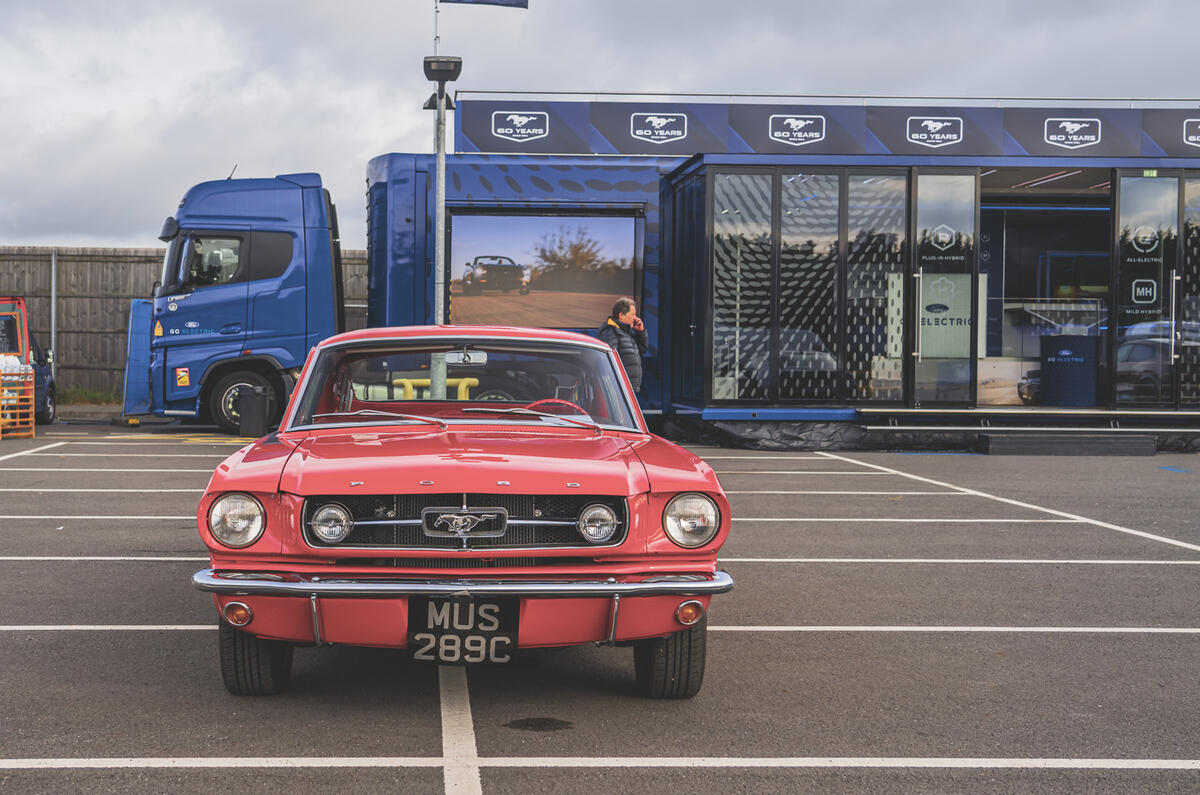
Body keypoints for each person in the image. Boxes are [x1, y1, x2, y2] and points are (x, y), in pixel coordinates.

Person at [597, 297, 647, 393]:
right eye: (632, 315)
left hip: (628, 388)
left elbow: (642, 350)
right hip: (619, 389)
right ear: (621, 315)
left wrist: (641, 332)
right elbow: (610, 361)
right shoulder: (610, 331)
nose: (635, 318)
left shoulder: (626, 332)